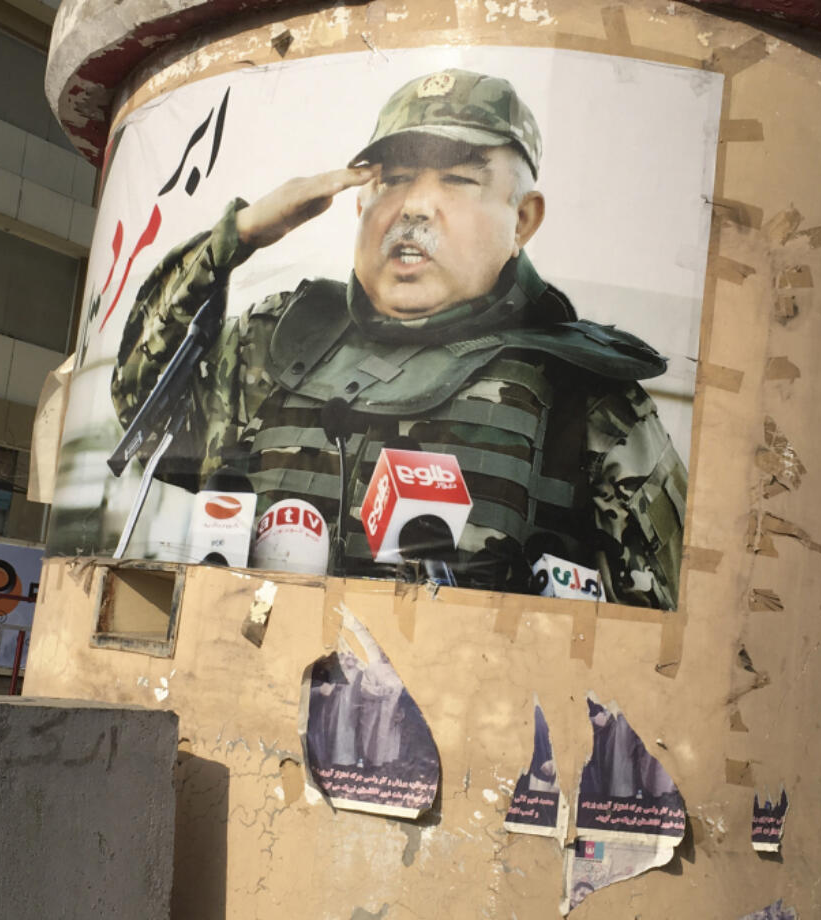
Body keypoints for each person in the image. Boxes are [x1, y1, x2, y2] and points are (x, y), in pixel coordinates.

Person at [112, 68, 686, 608]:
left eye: (458, 180)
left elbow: (659, 645)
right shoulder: (276, 342)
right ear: (360, 200)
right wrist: (238, 234)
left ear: (523, 219)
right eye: (395, 179)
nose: (413, 206)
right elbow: (142, 409)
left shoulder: (587, 399)